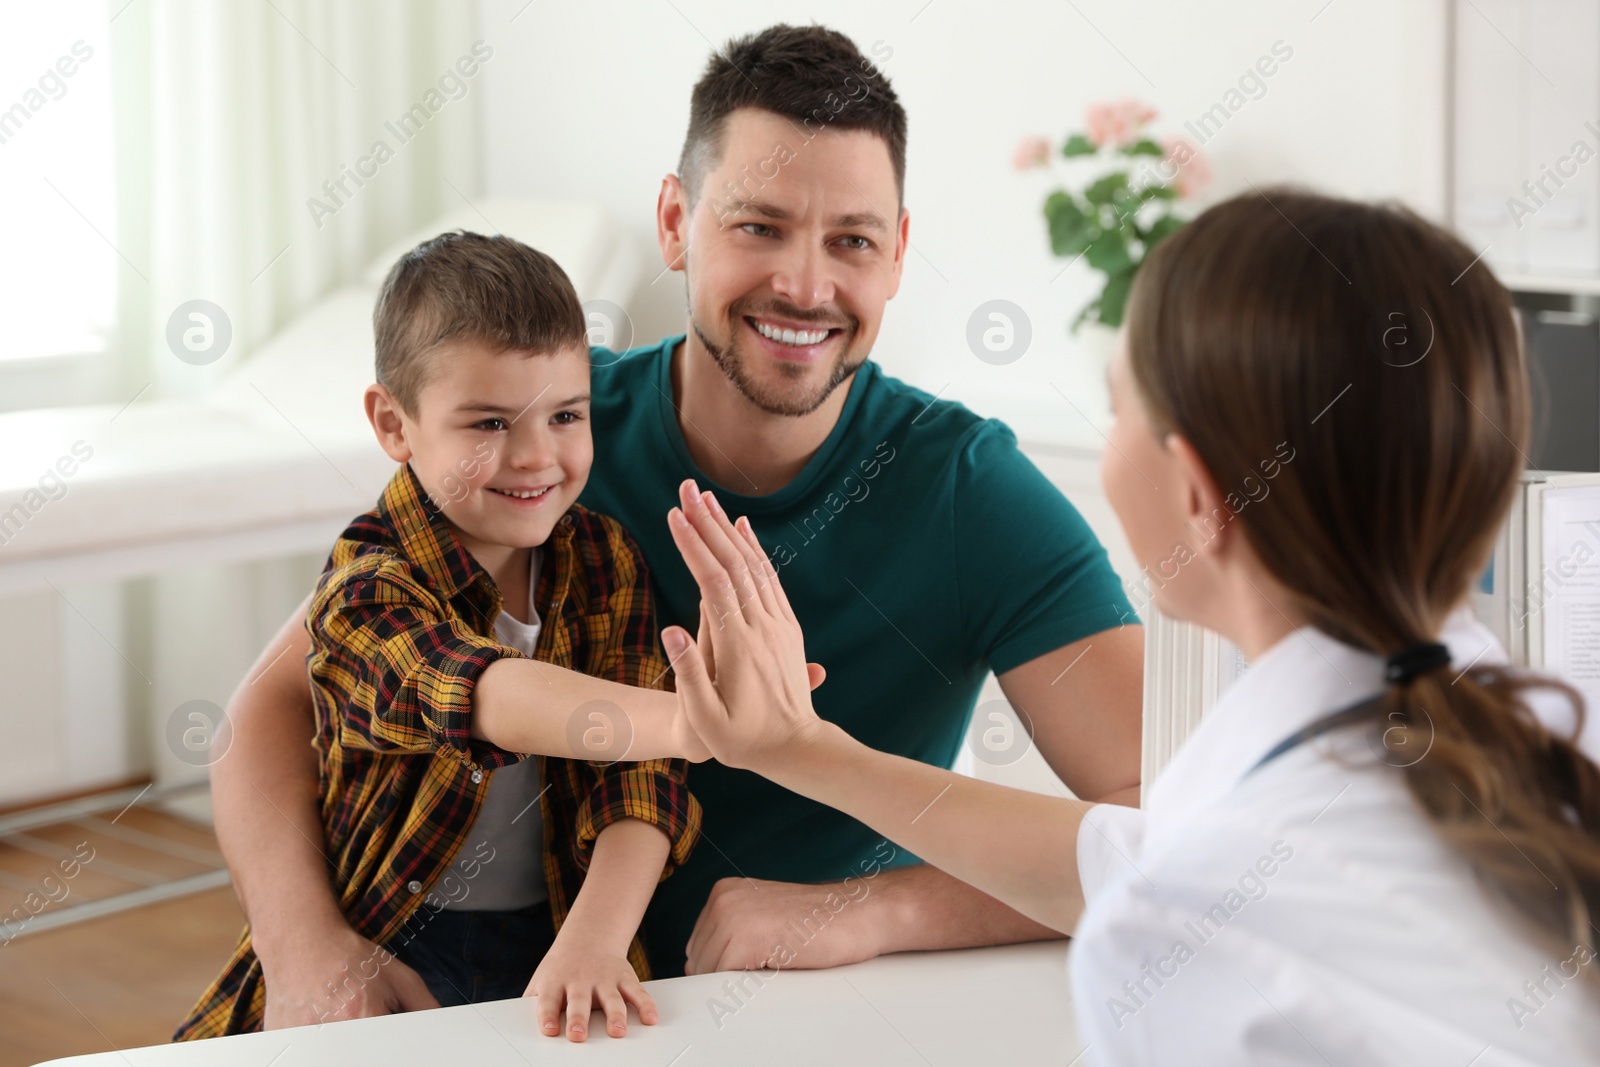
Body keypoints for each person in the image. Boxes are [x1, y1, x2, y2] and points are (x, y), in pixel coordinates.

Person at [208, 21, 1145, 1024]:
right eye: (758, 226)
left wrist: (874, 908)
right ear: (674, 221)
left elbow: (1181, 832)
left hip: (814, 1009)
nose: (805, 284)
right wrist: (302, 941)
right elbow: (270, 711)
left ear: (898, 255)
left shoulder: (970, 489)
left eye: (852, 241)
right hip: (522, 1009)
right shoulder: (548, 445)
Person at [661, 190, 1600, 1064]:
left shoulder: (1178, 929)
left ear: (1199, 495)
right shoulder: (1540, 752)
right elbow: (1126, 859)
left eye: (1116, 411)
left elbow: (1172, 884)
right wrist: (800, 749)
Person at [177, 232, 716, 1043]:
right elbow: (476, 691)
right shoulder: (365, 581)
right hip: (385, 936)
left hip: (557, 932)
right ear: (394, 423)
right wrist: (691, 717)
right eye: (489, 422)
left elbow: (636, 781)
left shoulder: (606, 563)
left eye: (565, 414)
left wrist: (597, 938)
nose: (536, 455)